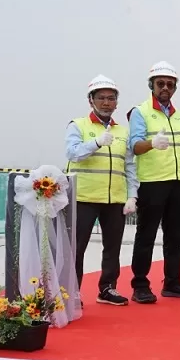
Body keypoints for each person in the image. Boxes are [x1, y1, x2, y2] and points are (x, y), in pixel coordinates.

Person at [64, 74, 137, 306]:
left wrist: (132, 195)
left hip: (114, 199)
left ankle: (107, 288)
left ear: (117, 103)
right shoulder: (78, 125)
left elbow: (130, 166)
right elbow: (72, 153)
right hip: (83, 197)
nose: (107, 102)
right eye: (101, 98)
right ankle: (71, 292)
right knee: (76, 248)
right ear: (91, 100)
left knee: (112, 247)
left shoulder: (123, 132)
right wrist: (95, 143)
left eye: (111, 98)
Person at [128, 61, 180, 303]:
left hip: (176, 184)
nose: (165, 87)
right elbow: (135, 146)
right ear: (152, 85)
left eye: (170, 84)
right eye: (161, 83)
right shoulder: (141, 112)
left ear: (175, 88)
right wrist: (151, 144)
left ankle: (172, 281)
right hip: (152, 183)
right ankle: (140, 284)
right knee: (146, 235)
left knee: (174, 236)